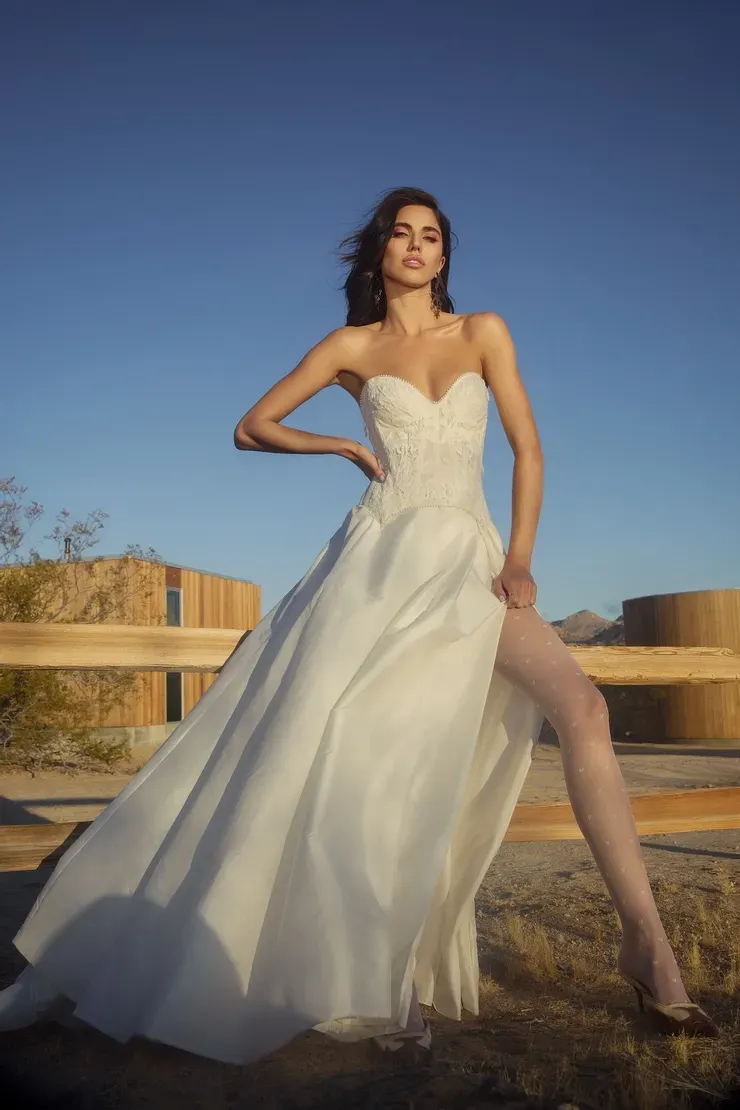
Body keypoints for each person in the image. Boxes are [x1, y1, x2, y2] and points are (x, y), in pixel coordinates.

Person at [0, 186, 717, 1062]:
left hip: (475, 563)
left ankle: (647, 945)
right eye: (401, 234)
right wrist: (337, 444)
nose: (416, 246)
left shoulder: (484, 331)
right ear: (380, 250)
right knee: (372, 762)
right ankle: (379, 980)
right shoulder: (350, 347)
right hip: (379, 568)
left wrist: (521, 557)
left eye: (431, 236)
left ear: (445, 255)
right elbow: (252, 426)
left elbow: (528, 448)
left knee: (587, 710)